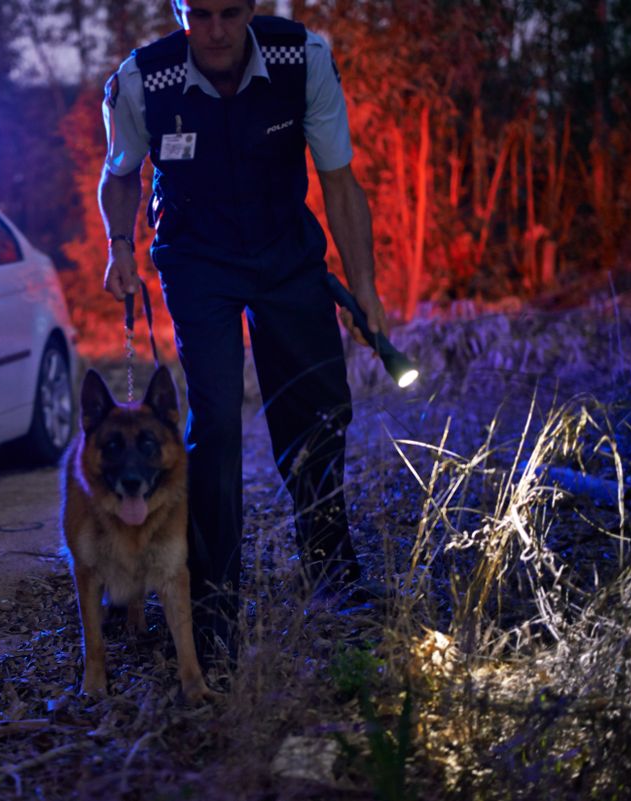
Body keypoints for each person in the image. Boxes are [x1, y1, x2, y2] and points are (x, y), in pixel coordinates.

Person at [97, 0, 388, 653]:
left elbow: (339, 181)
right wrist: (120, 246)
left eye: (231, 12)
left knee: (317, 411)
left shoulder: (302, 59)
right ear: (179, 11)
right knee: (218, 423)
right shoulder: (144, 79)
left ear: (252, 7)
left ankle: (334, 572)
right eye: (199, 15)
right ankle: (213, 597)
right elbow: (119, 175)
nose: (217, 30)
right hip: (197, 259)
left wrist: (363, 286)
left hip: (286, 254)